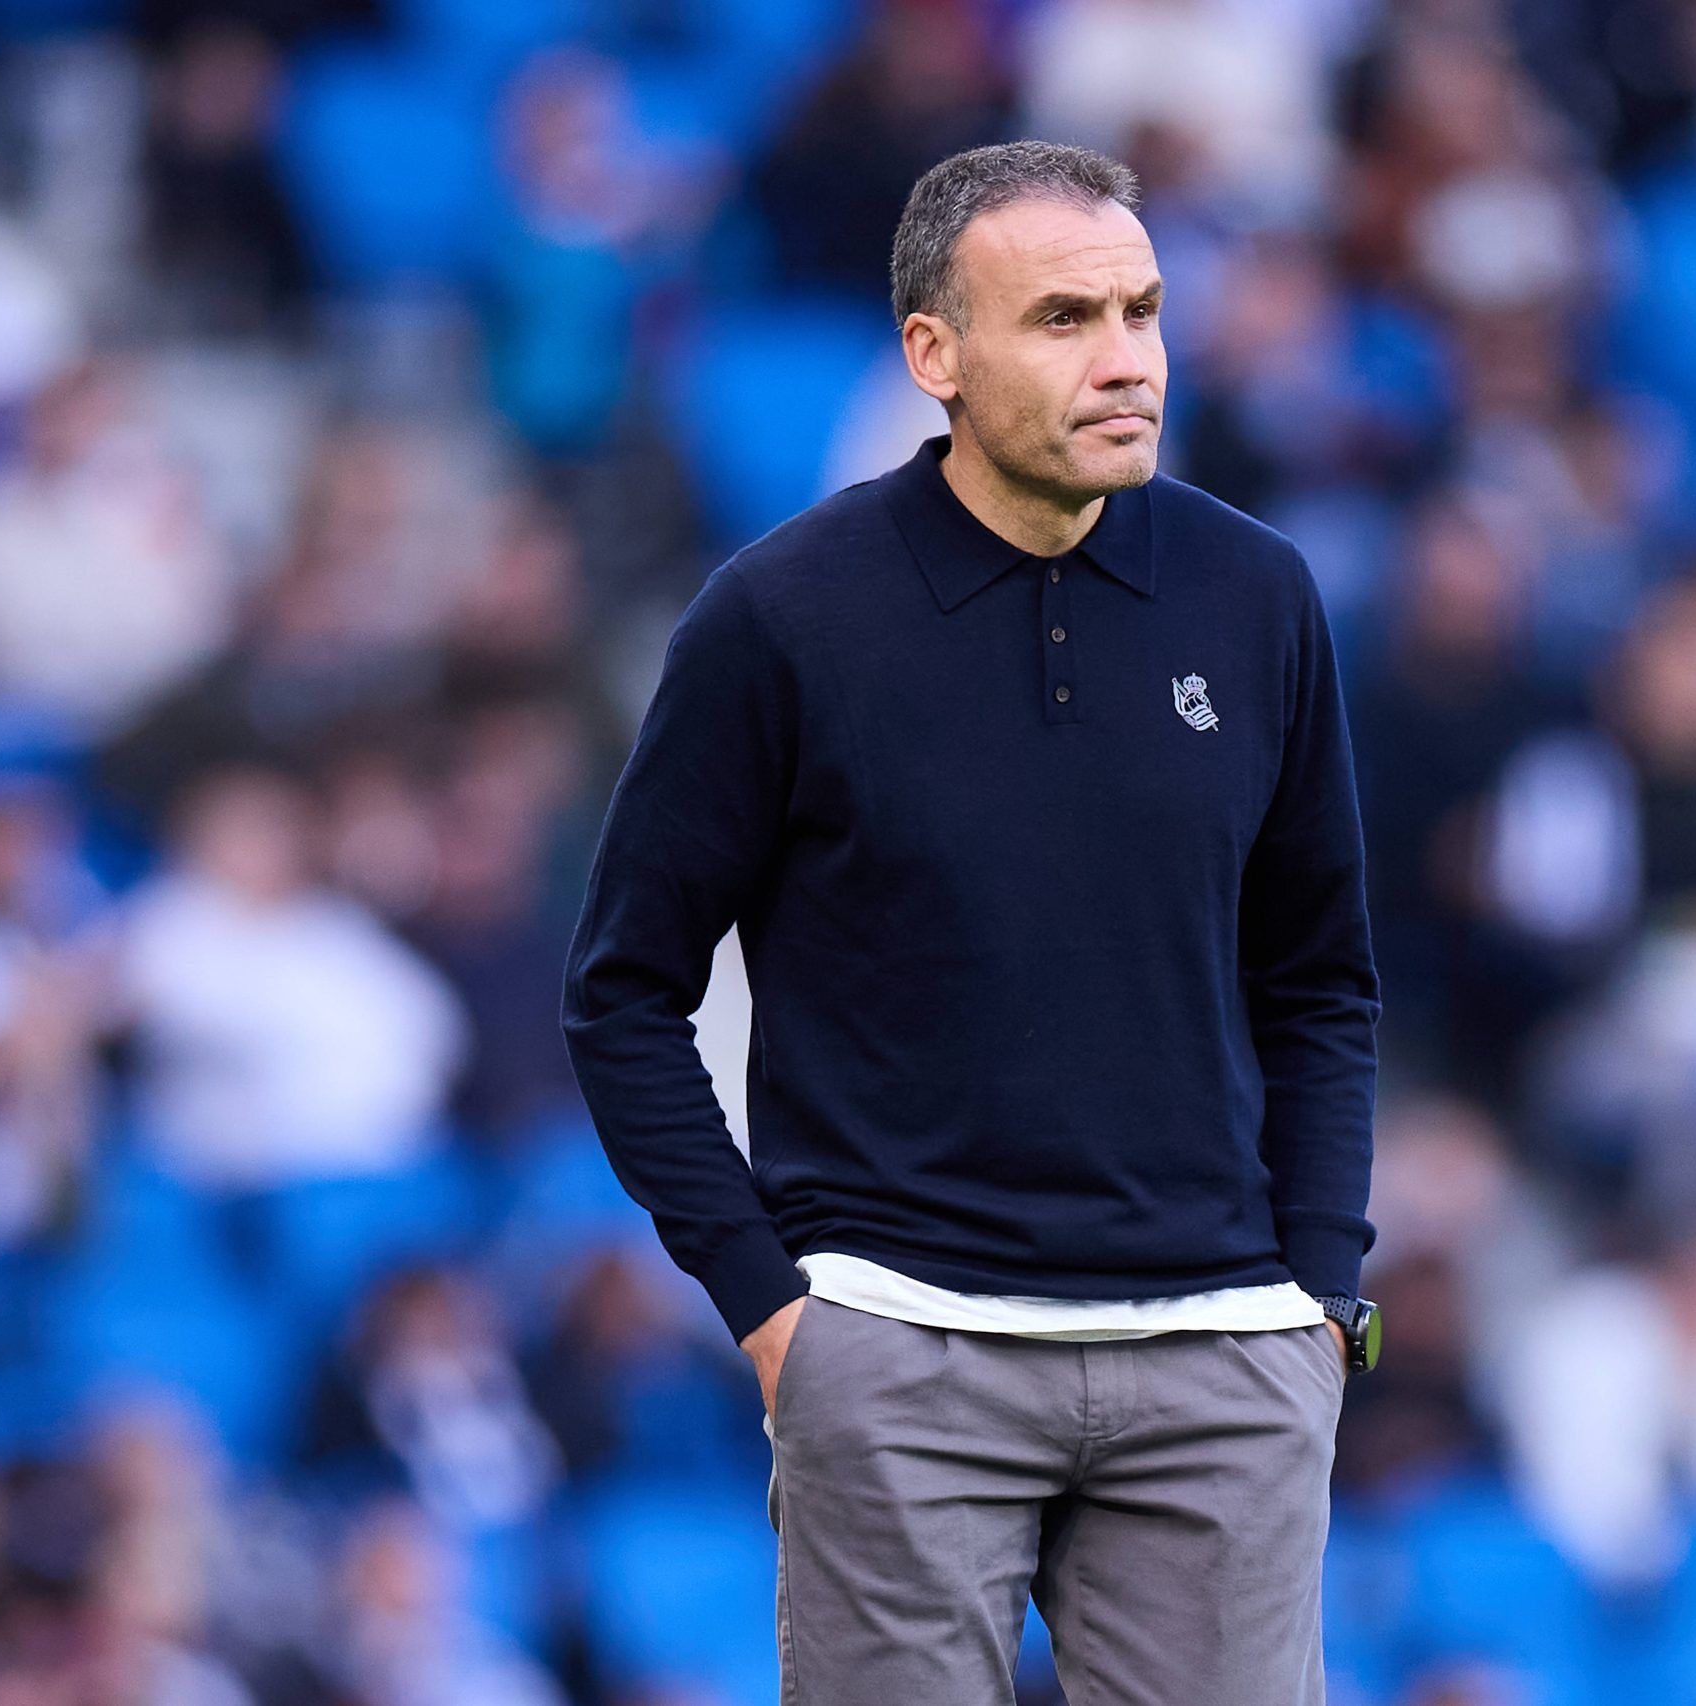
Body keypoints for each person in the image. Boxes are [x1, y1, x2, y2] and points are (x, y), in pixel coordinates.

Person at [559, 139, 1383, 1705]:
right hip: (899, 1352)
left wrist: (1319, 1302)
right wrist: (776, 1311)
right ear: (935, 356)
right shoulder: (780, 616)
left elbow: (1320, 981)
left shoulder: (1258, 594)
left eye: (1143, 310)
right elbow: (622, 993)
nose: (1127, 359)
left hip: (1220, 1349)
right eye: (1065, 318)